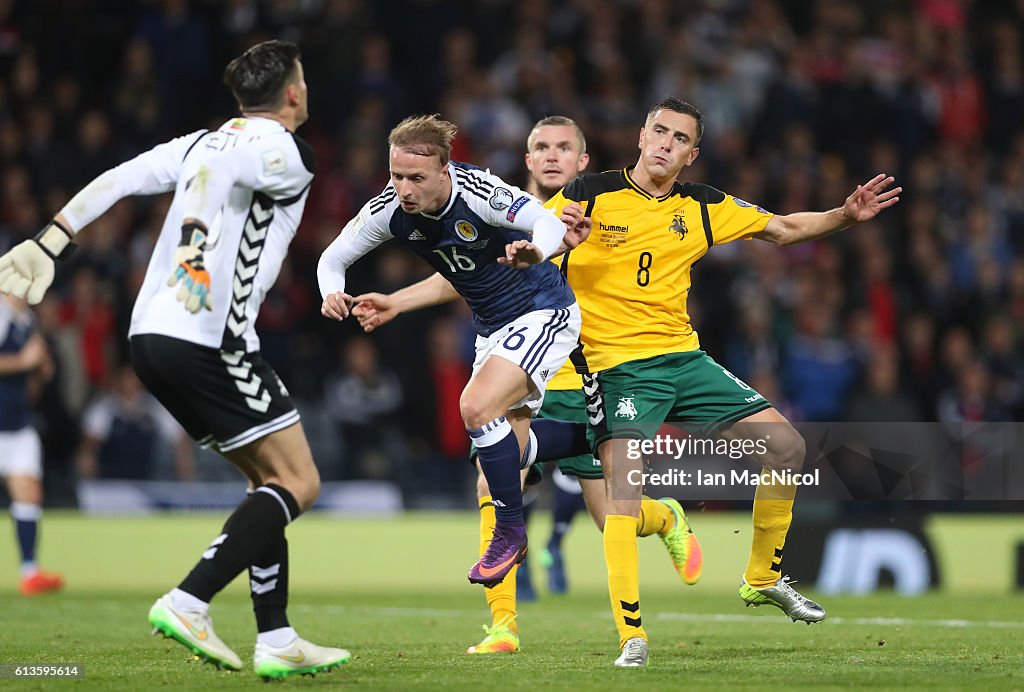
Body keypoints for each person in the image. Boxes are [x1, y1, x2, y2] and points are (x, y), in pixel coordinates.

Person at [0, 39, 350, 679]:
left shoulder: (201, 141)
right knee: (300, 482)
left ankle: (276, 638)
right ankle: (190, 599)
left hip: (151, 337)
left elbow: (118, 178)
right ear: (295, 93)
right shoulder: (284, 151)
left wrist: (49, 242)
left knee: (264, 483)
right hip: (210, 336)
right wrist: (192, 250)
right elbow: (219, 183)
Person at [539, 97, 902, 666]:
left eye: (679, 137)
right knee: (623, 497)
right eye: (658, 130)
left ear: (692, 153)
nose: (664, 143)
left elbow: (780, 229)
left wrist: (842, 215)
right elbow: (532, 242)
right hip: (617, 366)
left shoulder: (704, 205)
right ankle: (631, 635)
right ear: (640, 135)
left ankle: (762, 577)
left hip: (686, 359)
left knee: (786, 444)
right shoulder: (588, 193)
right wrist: (560, 241)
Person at [458, 117, 703, 655]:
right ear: (527, 160)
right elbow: (457, 274)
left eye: (564, 148)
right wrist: (399, 300)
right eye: (541, 147)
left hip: (590, 377)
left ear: (582, 162)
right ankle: (503, 626)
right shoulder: (502, 213)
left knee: (611, 515)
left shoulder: (605, 207)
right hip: (527, 373)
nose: (551, 156)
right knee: (493, 484)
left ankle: (665, 516)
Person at [318, 114, 590, 592]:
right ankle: (602, 432)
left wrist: (538, 251)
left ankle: (510, 534)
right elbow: (333, 257)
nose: (404, 188)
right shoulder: (389, 210)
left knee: (474, 407)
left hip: (542, 310)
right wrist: (331, 291)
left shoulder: (479, 192)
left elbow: (543, 221)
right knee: (510, 452)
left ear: (444, 172)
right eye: (397, 176)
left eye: (416, 178)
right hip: (491, 329)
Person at [0, 294, 64, 596]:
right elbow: (21, 359)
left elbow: (33, 368)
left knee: (28, 493)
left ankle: (30, 571)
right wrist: (23, 361)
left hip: (17, 423)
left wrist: (39, 370)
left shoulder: (25, 319)